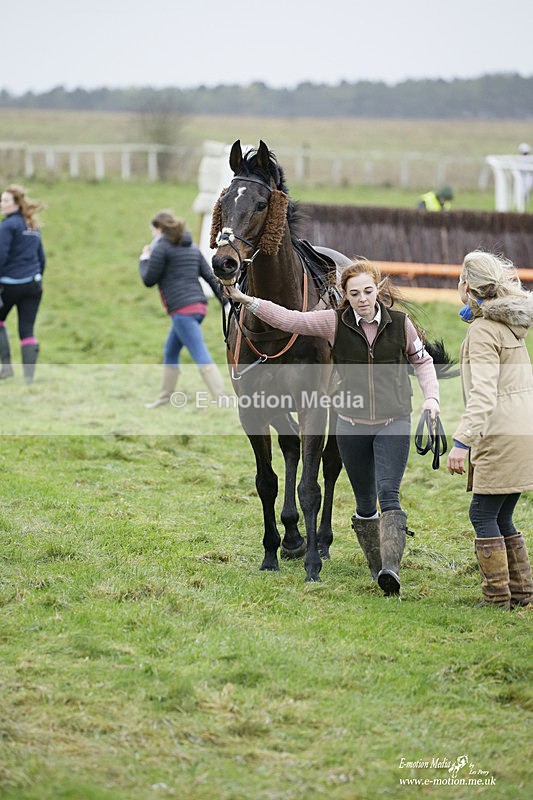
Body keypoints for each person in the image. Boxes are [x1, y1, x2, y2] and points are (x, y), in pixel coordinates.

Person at [224, 258, 441, 596]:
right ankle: (376, 565)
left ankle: (390, 569)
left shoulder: (401, 324)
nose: (363, 298)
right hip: (351, 424)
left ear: (378, 290)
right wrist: (247, 300)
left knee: (389, 494)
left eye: (368, 291)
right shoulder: (332, 323)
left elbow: (423, 360)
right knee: (365, 502)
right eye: (355, 293)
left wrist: (432, 400)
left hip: (393, 420)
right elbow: (291, 319)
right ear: (346, 295)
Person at [447, 250, 533, 609]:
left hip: (500, 432)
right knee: (501, 514)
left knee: (481, 514)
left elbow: (483, 395)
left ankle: (497, 598)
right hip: (523, 429)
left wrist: (460, 443)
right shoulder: (509, 323)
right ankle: (523, 594)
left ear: (466, 285)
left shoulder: (484, 331)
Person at [139, 210, 225, 407]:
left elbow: (148, 280)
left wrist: (144, 259)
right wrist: (226, 303)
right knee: (170, 351)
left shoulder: (161, 248)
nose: (153, 236)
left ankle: (221, 398)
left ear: (160, 229)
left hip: (182, 310)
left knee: (199, 352)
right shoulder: (192, 247)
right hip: (199, 307)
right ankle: (164, 399)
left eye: (153, 231)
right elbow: (210, 276)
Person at [0, 184, 45, 384]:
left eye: (5, 201)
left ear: (16, 204)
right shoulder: (32, 226)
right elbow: (41, 258)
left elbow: (0, 255)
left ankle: (6, 367)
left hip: (10, 284)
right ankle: (29, 379)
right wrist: (37, 276)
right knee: (27, 331)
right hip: (34, 284)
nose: (1, 204)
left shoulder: (7, 226)